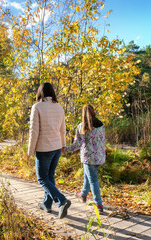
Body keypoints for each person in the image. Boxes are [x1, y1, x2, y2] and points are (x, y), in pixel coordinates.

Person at [28, 82, 71, 219]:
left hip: (44, 148)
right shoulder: (59, 107)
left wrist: (30, 150)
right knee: (50, 176)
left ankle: (62, 201)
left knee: (42, 178)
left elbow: (34, 131)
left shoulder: (37, 107)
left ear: (40, 92)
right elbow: (62, 130)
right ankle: (47, 204)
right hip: (57, 147)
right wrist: (63, 145)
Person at [63, 104, 106, 213]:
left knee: (93, 180)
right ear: (93, 112)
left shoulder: (82, 127)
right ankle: (83, 194)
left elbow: (77, 144)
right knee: (88, 176)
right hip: (99, 157)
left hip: (88, 157)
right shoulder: (101, 125)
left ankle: (98, 204)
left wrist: (65, 150)